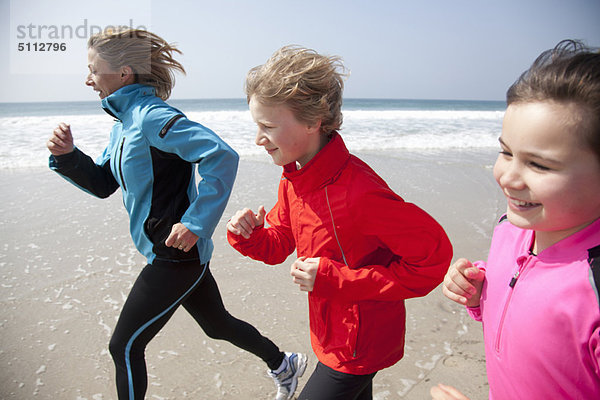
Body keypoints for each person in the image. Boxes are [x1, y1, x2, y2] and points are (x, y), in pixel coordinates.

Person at [46, 28, 305, 400]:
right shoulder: (123, 125)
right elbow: (104, 183)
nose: (88, 79)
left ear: (124, 72)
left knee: (124, 346)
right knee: (218, 325)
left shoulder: (151, 117)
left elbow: (220, 155)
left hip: (176, 255)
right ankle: (284, 363)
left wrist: (197, 222)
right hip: (168, 252)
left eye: (93, 69)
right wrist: (68, 156)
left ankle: (282, 363)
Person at [226, 45, 453, 400]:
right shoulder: (294, 178)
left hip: (360, 343)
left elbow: (432, 262)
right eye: (257, 125)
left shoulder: (359, 192)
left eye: (268, 126)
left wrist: (336, 279)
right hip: (331, 333)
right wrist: (250, 234)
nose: (258, 139)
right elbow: (279, 244)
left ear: (314, 121)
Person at [435, 40, 600, 399]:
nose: (508, 177)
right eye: (506, 152)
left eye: (539, 164)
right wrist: (482, 295)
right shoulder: (509, 230)